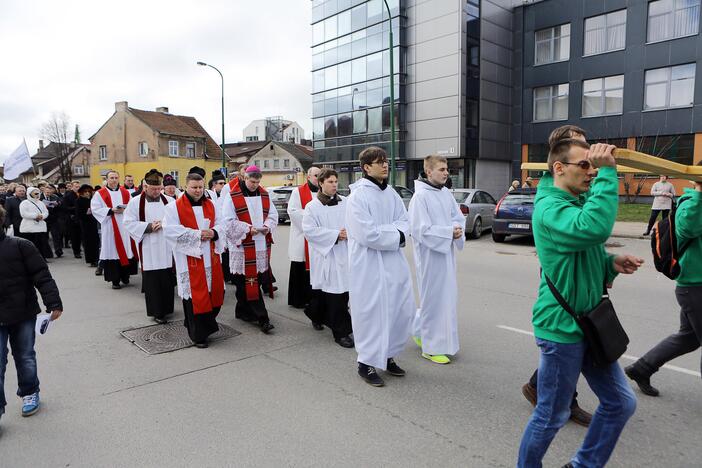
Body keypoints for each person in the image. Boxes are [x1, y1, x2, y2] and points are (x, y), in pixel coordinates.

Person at [517, 139, 643, 467]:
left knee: (620, 403)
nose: (591, 172)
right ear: (559, 168)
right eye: (584, 165)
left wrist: (610, 263)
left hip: (588, 322)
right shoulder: (550, 207)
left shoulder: (572, 200)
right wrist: (608, 176)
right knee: (551, 415)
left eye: (594, 165)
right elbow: (592, 230)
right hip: (561, 328)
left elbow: (585, 250)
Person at [521, 124, 593, 427]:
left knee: (572, 341)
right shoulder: (552, 199)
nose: (587, 155)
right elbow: (588, 228)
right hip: (560, 284)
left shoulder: (575, 190)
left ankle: (545, 389)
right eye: (580, 147)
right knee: (565, 338)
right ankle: (555, 396)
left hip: (579, 284)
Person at [626, 177, 702, 396]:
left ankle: (642, 369)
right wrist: (699, 190)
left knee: (689, 338)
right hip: (694, 285)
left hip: (696, 285)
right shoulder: (691, 203)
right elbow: (687, 228)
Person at [346, 147, 415, 387]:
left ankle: (387, 355)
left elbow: (405, 222)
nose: (385, 165)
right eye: (379, 162)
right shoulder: (358, 197)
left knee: (396, 308)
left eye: (386, 161)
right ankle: (365, 362)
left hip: (393, 262)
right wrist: (394, 233)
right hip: (368, 264)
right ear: (366, 167)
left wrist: (391, 231)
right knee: (371, 311)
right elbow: (367, 234)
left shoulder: (393, 194)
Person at [0, 205, 63, 423]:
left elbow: (41, 275)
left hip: (22, 312)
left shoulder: (20, 245)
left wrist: (53, 303)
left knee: (25, 356)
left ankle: (29, 392)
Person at [409, 155, 465, 364]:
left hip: (446, 255)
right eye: (441, 169)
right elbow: (420, 230)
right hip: (430, 257)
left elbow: (458, 217)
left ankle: (420, 331)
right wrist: (449, 232)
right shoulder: (420, 198)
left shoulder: (445, 194)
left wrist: (457, 230)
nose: (446, 172)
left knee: (446, 299)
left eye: (446, 169)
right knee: (433, 300)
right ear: (429, 172)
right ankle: (431, 347)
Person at [164, 172, 226, 348]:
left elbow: (222, 224)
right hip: (189, 259)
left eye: (201, 187)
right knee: (194, 297)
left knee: (213, 294)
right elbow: (171, 230)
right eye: (194, 187)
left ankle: (201, 324)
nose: (198, 191)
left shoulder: (212, 205)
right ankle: (198, 335)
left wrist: (214, 233)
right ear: (186, 187)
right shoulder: (174, 208)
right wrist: (198, 235)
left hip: (211, 258)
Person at [222, 165, 278, 333]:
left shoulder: (264, 195)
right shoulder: (233, 197)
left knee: (253, 281)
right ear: (245, 178)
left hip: (259, 243)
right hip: (242, 245)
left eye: (258, 182)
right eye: (252, 181)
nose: (255, 185)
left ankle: (243, 310)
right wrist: (247, 229)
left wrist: (267, 226)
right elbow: (227, 221)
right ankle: (262, 318)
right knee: (245, 282)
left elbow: (273, 216)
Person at [301, 168, 354, 348]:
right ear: (321, 183)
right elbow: (309, 230)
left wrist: (350, 233)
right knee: (335, 295)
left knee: (342, 292)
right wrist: (335, 235)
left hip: (345, 253)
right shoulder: (312, 206)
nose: (334, 185)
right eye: (330, 182)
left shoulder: (346, 202)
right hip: (327, 255)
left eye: (335, 181)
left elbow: (355, 222)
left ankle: (315, 314)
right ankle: (341, 333)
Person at [124, 170, 175, 324]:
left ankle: (167, 308)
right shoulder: (135, 202)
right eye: (153, 189)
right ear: (145, 187)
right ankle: (157, 311)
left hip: (166, 245)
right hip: (148, 247)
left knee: (167, 278)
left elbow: (177, 220)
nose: (156, 192)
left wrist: (164, 224)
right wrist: (149, 227)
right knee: (153, 280)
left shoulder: (169, 201)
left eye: (159, 189)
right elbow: (128, 222)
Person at [91, 170, 138, 289]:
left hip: (124, 226)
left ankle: (125, 276)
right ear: (106, 179)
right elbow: (95, 209)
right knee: (113, 251)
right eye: (111, 178)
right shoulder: (100, 193)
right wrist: (111, 210)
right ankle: (115, 280)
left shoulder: (125, 192)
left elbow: (132, 207)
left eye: (116, 177)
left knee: (126, 249)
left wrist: (125, 210)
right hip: (110, 226)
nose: (114, 180)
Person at [287, 166, 321, 309]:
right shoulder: (298, 192)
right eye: (316, 176)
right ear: (308, 177)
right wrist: (311, 222)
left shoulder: (323, 190)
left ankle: (315, 299)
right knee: (300, 267)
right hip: (303, 236)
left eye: (320, 175)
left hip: (318, 236)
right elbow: (293, 211)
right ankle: (299, 299)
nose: (318, 178)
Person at [19, 187, 52, 258]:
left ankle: (42, 258)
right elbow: (23, 214)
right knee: (30, 245)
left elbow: (46, 212)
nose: (37, 195)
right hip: (29, 228)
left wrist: (42, 216)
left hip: (40, 227)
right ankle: (30, 259)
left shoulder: (41, 203)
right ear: (30, 194)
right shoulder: (24, 203)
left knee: (41, 244)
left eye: (38, 193)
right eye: (35, 193)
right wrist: (35, 216)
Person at [76, 184, 100, 268]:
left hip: (93, 223)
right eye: (85, 192)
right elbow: (78, 214)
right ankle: (91, 260)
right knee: (88, 242)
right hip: (85, 224)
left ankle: (97, 258)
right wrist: (86, 213)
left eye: (88, 192)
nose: (87, 193)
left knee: (96, 241)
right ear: (82, 193)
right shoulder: (79, 201)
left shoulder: (92, 200)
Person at [42, 185, 65, 258]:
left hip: (54, 219)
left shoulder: (55, 197)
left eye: (50, 192)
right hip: (44, 219)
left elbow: (61, 204)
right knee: (45, 237)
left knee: (56, 236)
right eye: (47, 192)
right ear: (44, 192)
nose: (48, 193)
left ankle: (58, 251)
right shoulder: (40, 197)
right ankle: (47, 252)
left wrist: (57, 204)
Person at [62, 181, 82, 258]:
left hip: (80, 218)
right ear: (72, 187)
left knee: (80, 236)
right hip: (72, 218)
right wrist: (76, 208)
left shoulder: (80, 194)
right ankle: (76, 252)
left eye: (78, 187)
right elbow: (65, 207)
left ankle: (79, 249)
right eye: (76, 187)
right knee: (74, 236)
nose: (78, 188)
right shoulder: (68, 196)